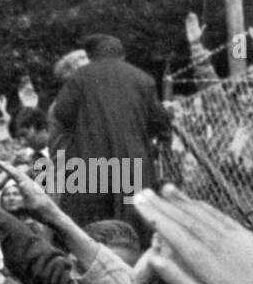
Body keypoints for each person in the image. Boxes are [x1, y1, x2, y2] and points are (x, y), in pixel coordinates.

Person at [49, 33, 172, 227]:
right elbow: (159, 120)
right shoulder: (142, 78)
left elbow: (63, 113)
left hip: (93, 162)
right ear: (121, 54)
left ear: (91, 55)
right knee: (136, 221)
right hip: (134, 162)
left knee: (98, 225)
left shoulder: (79, 77)